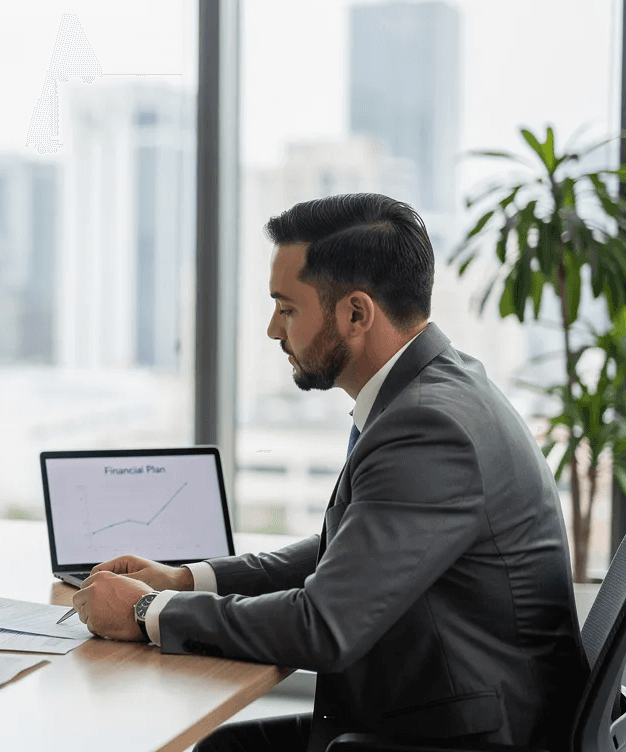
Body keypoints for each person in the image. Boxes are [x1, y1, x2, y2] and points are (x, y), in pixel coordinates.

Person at [70, 193, 585, 752]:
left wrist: (147, 611)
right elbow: (344, 551)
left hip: (470, 737)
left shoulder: (427, 427)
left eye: (287, 308)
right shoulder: (429, 388)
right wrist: (187, 580)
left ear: (356, 314)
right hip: (447, 712)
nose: (272, 329)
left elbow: (324, 626)